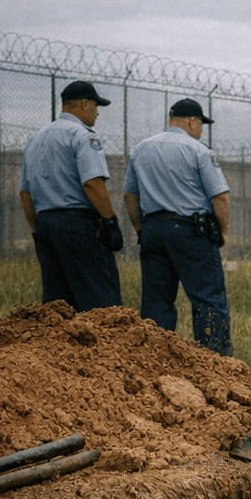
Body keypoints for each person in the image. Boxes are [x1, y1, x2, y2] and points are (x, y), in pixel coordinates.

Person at [123, 98, 234, 356]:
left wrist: (142, 229)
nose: (201, 130)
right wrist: (223, 232)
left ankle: (153, 358)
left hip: (152, 230)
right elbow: (220, 197)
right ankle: (215, 361)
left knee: (156, 300)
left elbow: (130, 196)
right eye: (201, 124)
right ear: (193, 121)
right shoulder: (198, 151)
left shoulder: (141, 149)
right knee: (207, 298)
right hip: (190, 231)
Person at [19, 79, 124, 311]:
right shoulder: (82, 135)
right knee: (102, 300)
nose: (97, 113)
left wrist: (37, 231)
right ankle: (106, 347)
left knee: (58, 305)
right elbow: (93, 184)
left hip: (46, 225)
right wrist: (110, 222)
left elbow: (25, 194)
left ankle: (58, 348)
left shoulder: (36, 139)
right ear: (85, 104)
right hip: (77, 224)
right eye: (96, 106)